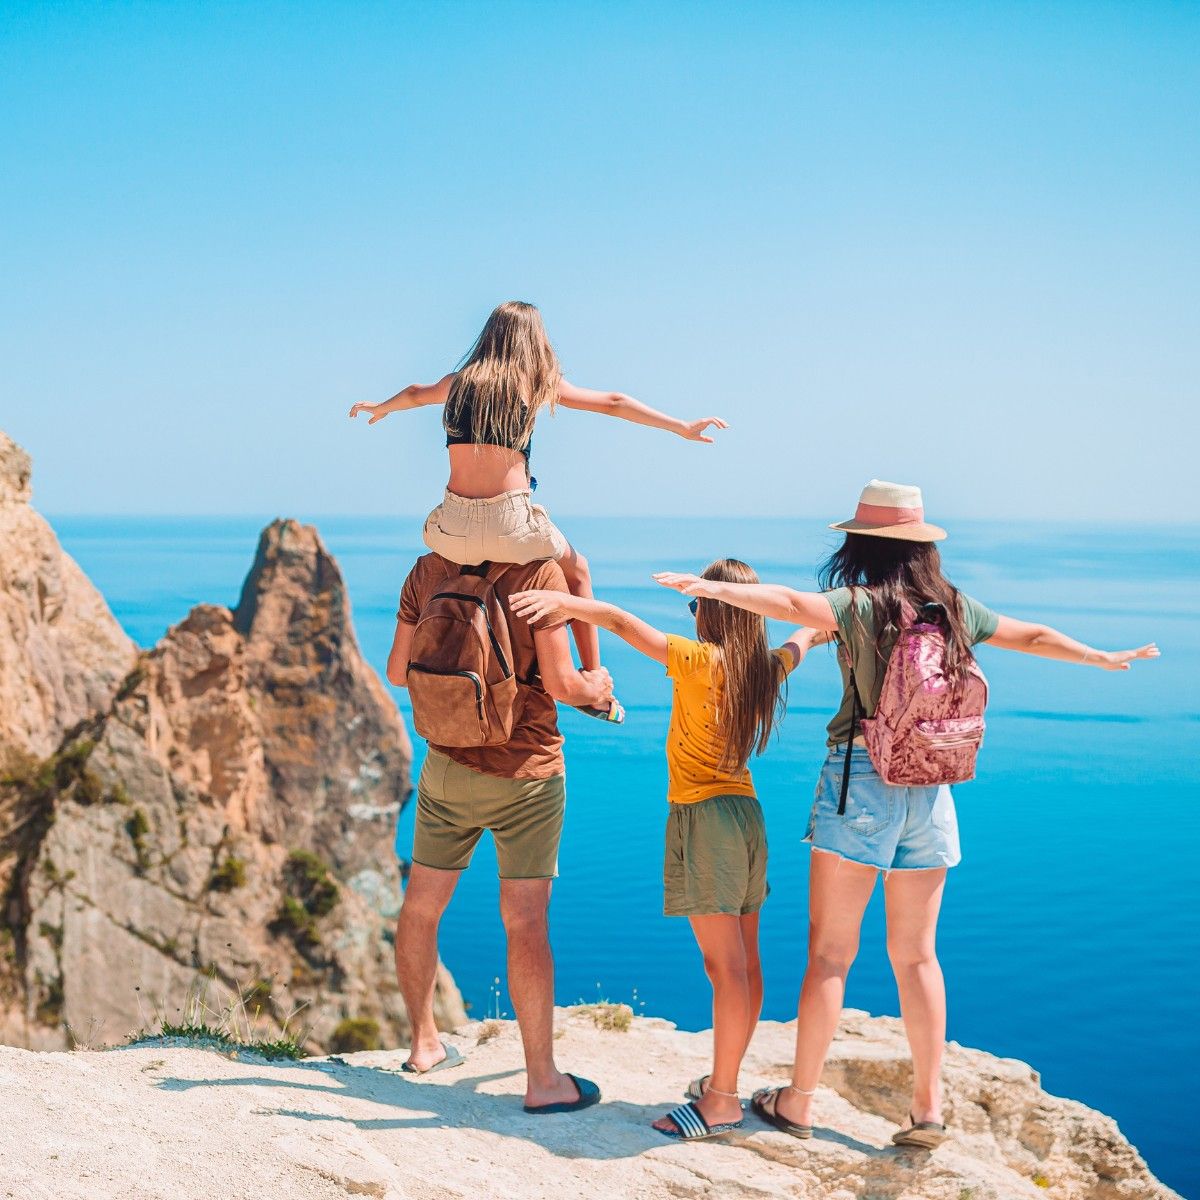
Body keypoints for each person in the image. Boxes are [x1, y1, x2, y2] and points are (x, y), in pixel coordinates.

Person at [654, 480, 1159, 1147]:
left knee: (831, 955)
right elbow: (1030, 634)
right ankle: (927, 1111)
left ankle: (798, 1102)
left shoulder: (861, 603)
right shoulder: (951, 606)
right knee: (918, 956)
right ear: (922, 546)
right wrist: (1098, 656)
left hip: (861, 782)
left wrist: (714, 591)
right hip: (935, 786)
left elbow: (791, 604)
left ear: (861, 543)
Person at [511, 560, 825, 1141]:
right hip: (746, 817)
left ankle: (722, 1101)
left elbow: (626, 626)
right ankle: (722, 1081)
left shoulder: (702, 661)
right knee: (747, 964)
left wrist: (567, 606)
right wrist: (812, 630)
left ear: (710, 611)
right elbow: (794, 647)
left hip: (704, 819)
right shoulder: (762, 669)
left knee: (723, 968)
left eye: (697, 607)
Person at [351, 300, 728, 722]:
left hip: (451, 526)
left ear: (488, 337)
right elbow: (613, 401)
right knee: (579, 569)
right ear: (534, 342)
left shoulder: (456, 383)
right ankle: (593, 679)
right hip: (511, 524)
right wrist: (679, 426)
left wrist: (381, 407)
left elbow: (416, 395)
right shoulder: (533, 383)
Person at [385, 548, 612, 1113]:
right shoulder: (538, 574)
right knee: (526, 923)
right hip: (526, 774)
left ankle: (424, 1044)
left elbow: (396, 672)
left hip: (447, 766)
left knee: (420, 908)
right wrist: (597, 685)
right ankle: (542, 1081)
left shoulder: (429, 569)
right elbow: (563, 684)